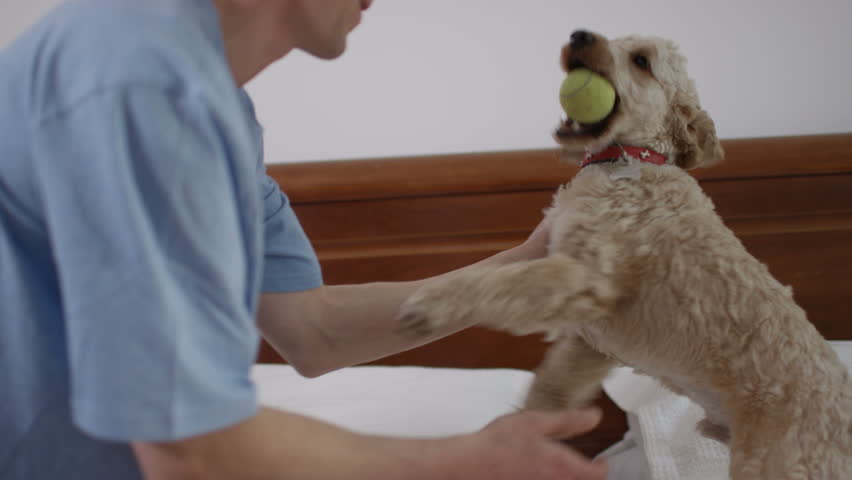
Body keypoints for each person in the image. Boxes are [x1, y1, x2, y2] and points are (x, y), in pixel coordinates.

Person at [0, 1, 608, 479]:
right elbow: (190, 452)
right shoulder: (143, 79)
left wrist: (523, 265)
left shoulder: (214, 105)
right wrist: (458, 463)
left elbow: (311, 329)